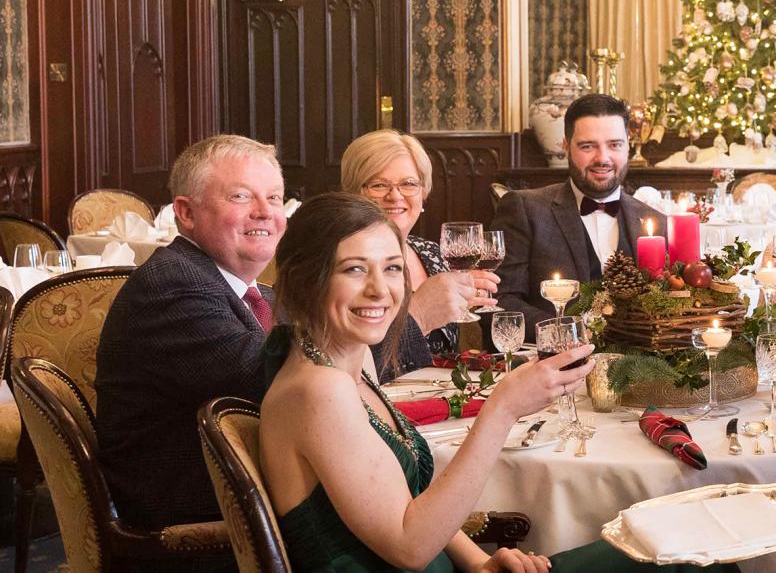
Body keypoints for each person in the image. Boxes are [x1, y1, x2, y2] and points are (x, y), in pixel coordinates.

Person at [259, 193, 702, 573]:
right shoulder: (318, 389)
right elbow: (409, 546)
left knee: (678, 544)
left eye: (392, 268)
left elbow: (407, 497)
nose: (381, 290)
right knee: (684, 555)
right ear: (306, 279)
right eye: (354, 269)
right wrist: (502, 410)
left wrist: (478, 561)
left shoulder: (346, 362)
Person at [95, 135, 287, 564]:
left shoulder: (260, 294)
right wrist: (412, 315)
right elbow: (269, 384)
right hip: (196, 523)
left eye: (274, 197)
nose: (265, 212)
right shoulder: (175, 285)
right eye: (241, 196)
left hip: (243, 491)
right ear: (186, 212)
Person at [491, 94, 665, 338]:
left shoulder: (656, 222)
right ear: (566, 146)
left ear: (628, 145)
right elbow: (500, 301)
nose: (602, 158)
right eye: (588, 146)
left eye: (614, 145)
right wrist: (568, 333)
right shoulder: (524, 209)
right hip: (552, 368)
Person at [342, 129, 499, 374]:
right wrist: (420, 313)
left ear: (423, 193)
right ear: (353, 193)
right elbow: (347, 366)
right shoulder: (338, 263)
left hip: (439, 397)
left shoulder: (433, 254)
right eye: (378, 184)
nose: (395, 196)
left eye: (408, 184)